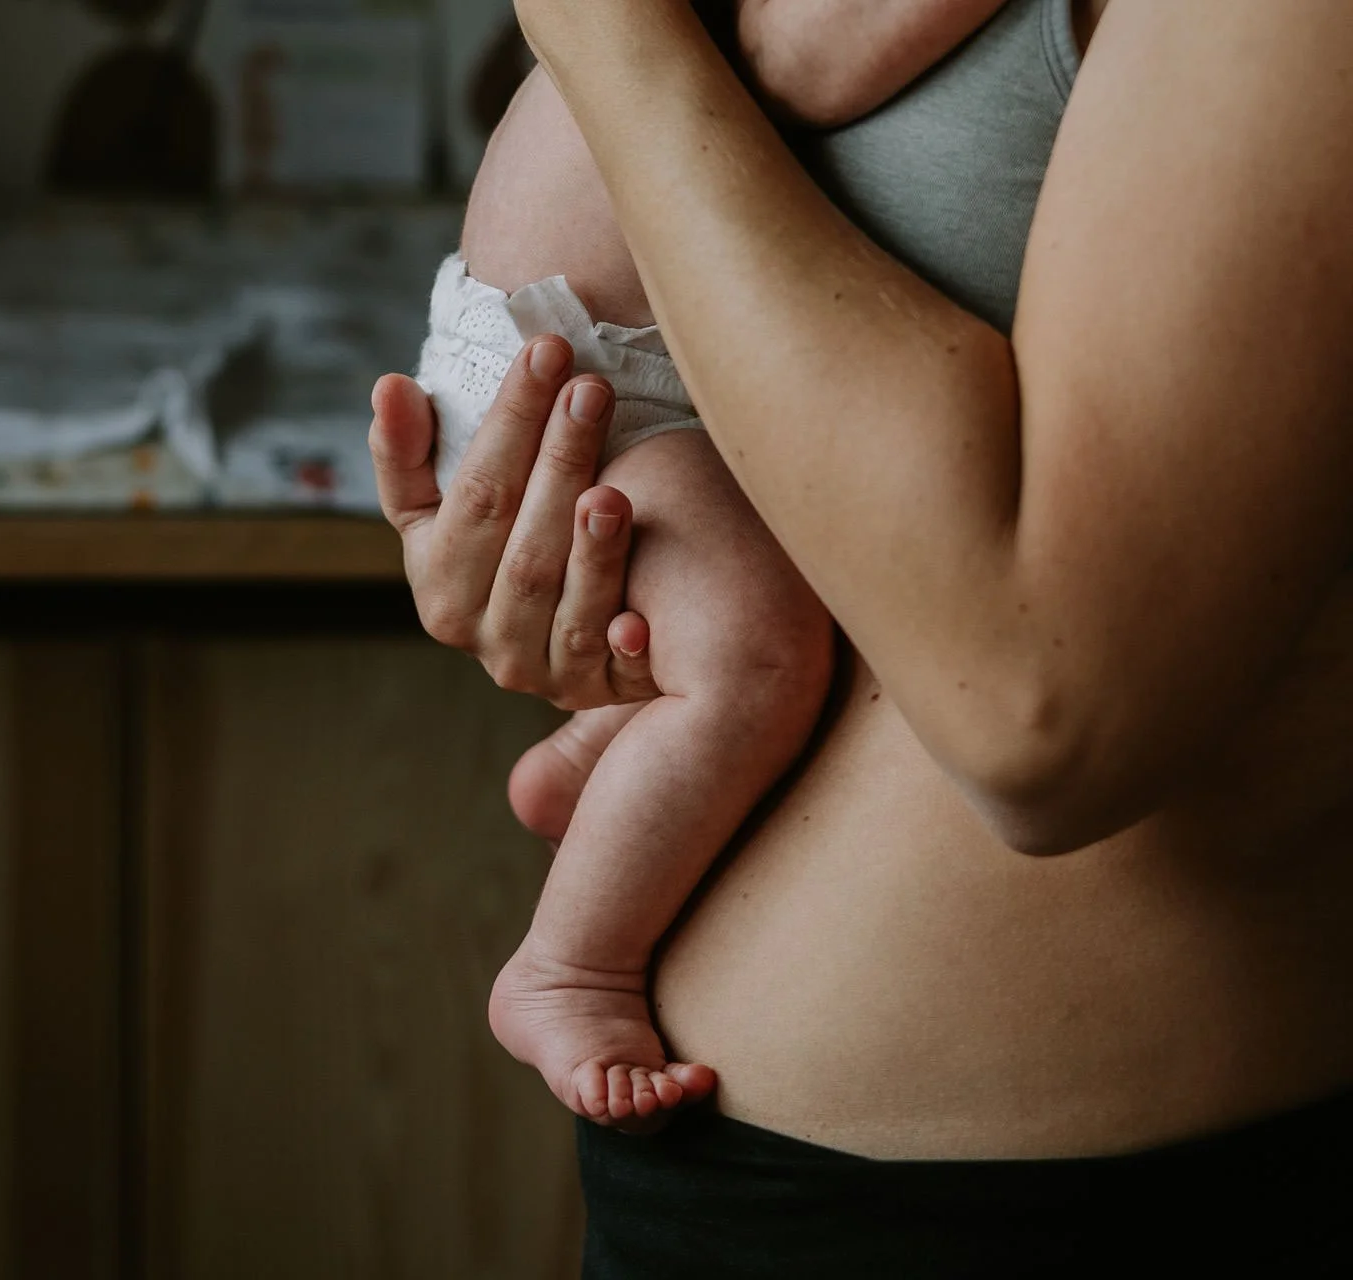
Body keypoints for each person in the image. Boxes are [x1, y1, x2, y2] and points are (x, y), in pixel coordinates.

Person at [371, 0, 1353, 1272]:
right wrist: (559, 583)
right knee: (720, 647)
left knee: (741, 660)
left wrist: (606, 31)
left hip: (1075, 1208)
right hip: (721, 1180)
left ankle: (572, 935)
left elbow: (1035, 707)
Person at [410, 0, 1008, 1128]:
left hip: (599, 343)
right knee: (757, 658)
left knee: (790, 566)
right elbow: (810, 62)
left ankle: (609, 747)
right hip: (596, 374)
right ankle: (567, 963)